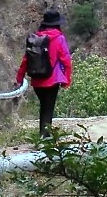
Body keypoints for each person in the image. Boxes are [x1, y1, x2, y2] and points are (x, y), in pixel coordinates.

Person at [17, 8, 73, 136]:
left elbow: (26, 59)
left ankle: (43, 136)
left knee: (43, 107)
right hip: (52, 80)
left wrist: (19, 77)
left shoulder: (35, 39)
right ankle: (45, 138)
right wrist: (67, 80)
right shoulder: (59, 38)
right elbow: (66, 61)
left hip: (37, 80)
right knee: (48, 109)